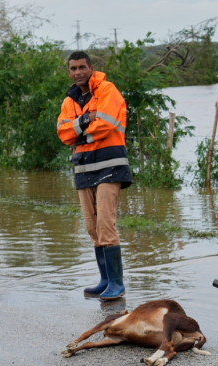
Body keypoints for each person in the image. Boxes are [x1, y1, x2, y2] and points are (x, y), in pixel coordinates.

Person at [57, 51, 133, 301]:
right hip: (83, 168)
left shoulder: (108, 90)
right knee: (91, 227)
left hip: (110, 165)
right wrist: (84, 121)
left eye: (82, 67)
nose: (77, 72)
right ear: (69, 72)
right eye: (73, 68)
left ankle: (117, 284)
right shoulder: (69, 101)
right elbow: (62, 132)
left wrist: (79, 133)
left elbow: (105, 124)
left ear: (91, 68)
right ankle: (105, 280)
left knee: (105, 224)